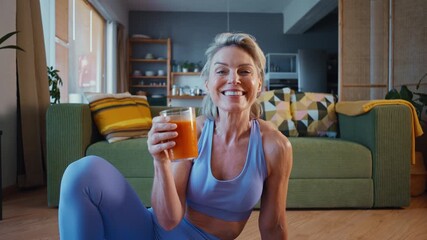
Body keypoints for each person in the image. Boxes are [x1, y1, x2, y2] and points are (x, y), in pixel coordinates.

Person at [58, 32, 293, 240]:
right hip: (148, 230)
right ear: (208, 83)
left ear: (259, 83)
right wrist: (160, 162)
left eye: (245, 71)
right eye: (222, 71)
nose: (234, 79)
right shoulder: (195, 130)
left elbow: (273, 227)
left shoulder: (274, 146)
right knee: (82, 172)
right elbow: (168, 221)